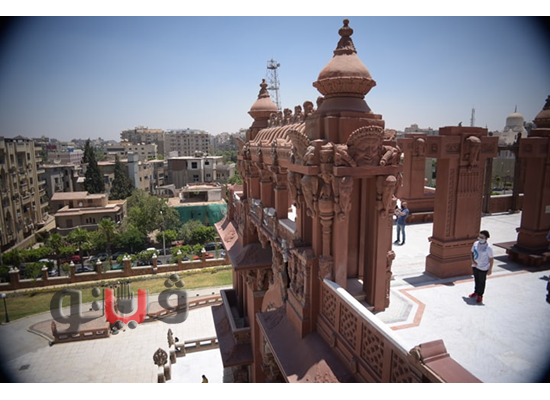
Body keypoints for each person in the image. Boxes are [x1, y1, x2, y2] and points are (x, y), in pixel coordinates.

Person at [469, 230, 494, 304]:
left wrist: (490, 269)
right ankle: (476, 292)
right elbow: (471, 252)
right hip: (475, 266)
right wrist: (472, 261)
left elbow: (491, 259)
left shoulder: (488, 247)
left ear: (486, 238)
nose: (480, 239)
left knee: (481, 282)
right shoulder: (475, 243)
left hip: (483, 267)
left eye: (482, 237)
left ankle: (480, 295)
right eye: (479, 237)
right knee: (476, 279)